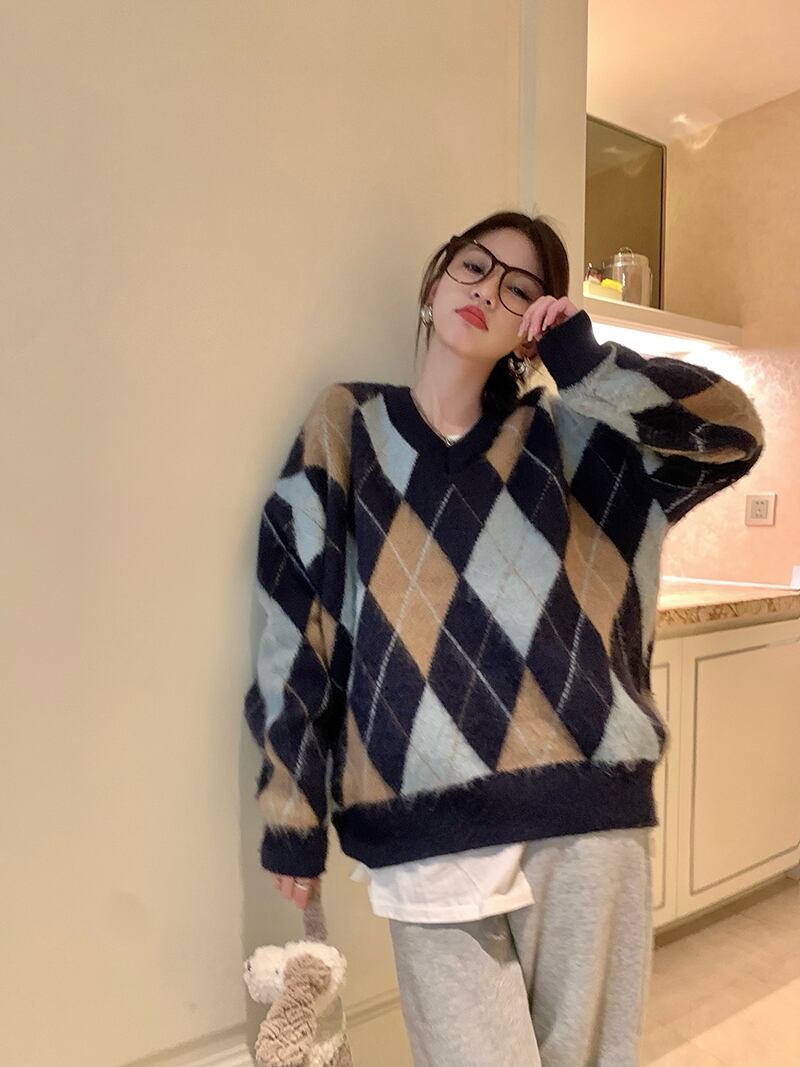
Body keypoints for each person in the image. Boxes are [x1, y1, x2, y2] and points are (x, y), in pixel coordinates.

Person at [244, 209, 765, 1066]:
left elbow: (733, 431)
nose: (488, 290)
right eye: (474, 266)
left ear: (532, 328)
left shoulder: (575, 438)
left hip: (583, 812)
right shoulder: (346, 426)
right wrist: (289, 813)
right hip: (420, 817)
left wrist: (584, 362)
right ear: (435, 280)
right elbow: (292, 626)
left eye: (520, 287)